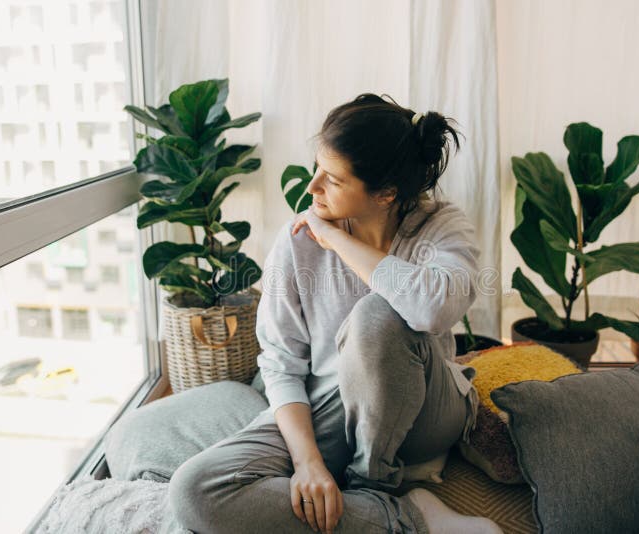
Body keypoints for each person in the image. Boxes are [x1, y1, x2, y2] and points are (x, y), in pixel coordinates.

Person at [167, 94, 501, 534]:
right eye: (317, 168)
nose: (312, 188)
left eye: (333, 179)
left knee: (376, 317)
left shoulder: (440, 227)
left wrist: (336, 240)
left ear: (385, 194)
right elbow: (281, 363)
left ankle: (371, 483)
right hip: (332, 409)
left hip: (424, 413)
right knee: (196, 490)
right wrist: (307, 463)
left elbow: (432, 308)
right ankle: (406, 516)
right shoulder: (296, 242)